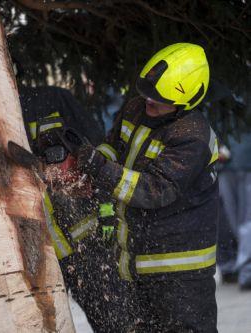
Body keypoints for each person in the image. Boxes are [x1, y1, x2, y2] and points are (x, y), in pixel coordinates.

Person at [70, 43, 219, 331]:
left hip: (180, 272)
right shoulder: (138, 107)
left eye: (159, 99)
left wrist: (101, 170)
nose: (149, 102)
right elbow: (116, 148)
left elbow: (155, 190)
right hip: (137, 263)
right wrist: (90, 162)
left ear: (188, 99)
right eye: (147, 92)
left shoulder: (193, 136)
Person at [18, 86, 135, 332]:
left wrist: (106, 211)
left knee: (116, 321)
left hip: (86, 244)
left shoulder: (51, 99)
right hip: (36, 250)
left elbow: (100, 154)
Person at [217, 134, 251, 290]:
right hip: (240, 159)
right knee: (244, 220)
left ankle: (233, 267)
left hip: (225, 160)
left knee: (229, 219)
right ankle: (244, 270)